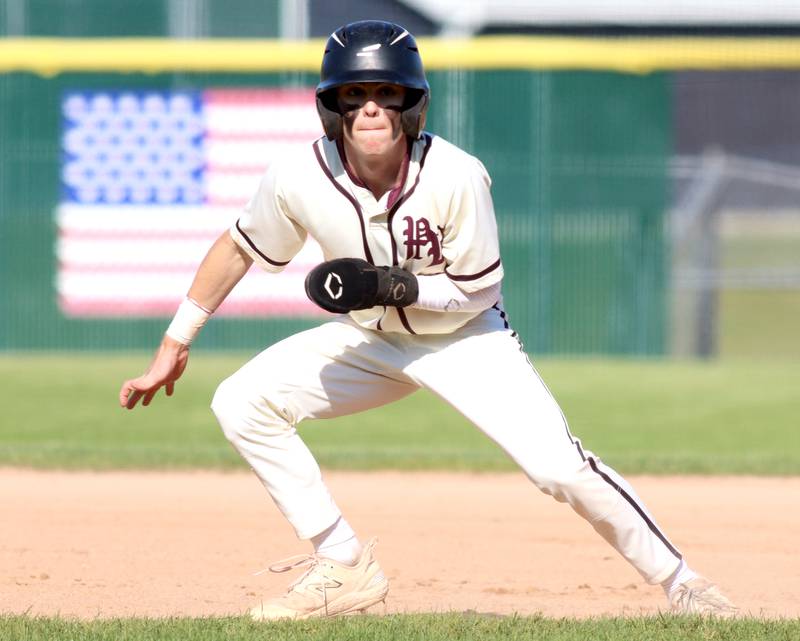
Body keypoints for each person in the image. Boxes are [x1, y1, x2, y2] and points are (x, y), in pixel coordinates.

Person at [119, 20, 738, 620]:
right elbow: (238, 246)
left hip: (466, 339)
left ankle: (683, 584)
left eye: (386, 93)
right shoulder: (298, 176)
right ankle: (342, 564)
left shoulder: (456, 175)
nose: (370, 109)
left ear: (412, 105)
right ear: (330, 107)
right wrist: (177, 338)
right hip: (369, 338)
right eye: (354, 94)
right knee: (241, 402)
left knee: (559, 468)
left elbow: (478, 289)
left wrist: (396, 284)